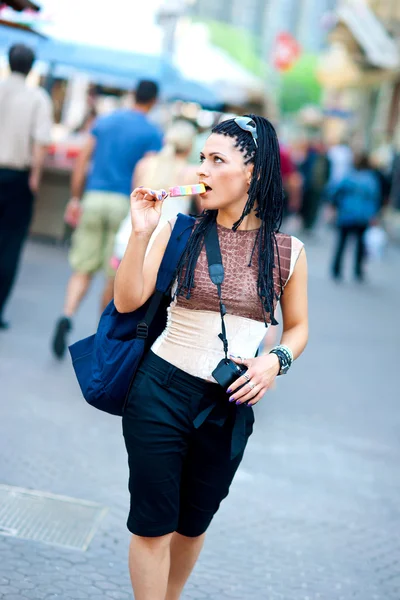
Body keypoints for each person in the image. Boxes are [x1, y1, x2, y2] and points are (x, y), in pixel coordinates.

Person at [114, 115, 308, 599]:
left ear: (253, 173)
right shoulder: (179, 230)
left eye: (217, 160)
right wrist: (141, 234)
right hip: (159, 390)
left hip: (226, 406)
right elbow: (126, 302)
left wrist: (275, 360)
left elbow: (299, 327)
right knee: (153, 525)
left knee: (192, 525)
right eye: (202, 158)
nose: (202, 169)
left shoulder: (287, 252)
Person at [51, 80, 162, 358]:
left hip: (94, 197)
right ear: (154, 101)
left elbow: (83, 159)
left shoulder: (105, 121)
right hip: (126, 205)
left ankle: (67, 314)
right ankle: (103, 335)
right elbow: (147, 173)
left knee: (82, 267)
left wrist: (76, 197)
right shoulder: (152, 133)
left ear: (133, 94)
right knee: (115, 274)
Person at [0, 44, 53, 329]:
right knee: (9, 245)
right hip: (17, 178)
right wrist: (35, 177)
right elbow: (41, 142)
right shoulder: (37, 97)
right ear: (32, 67)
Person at [112, 119, 198, 270]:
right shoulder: (192, 174)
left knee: (116, 289)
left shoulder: (144, 164)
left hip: (130, 235)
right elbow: (202, 208)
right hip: (164, 243)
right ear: (190, 147)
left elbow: (134, 199)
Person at [330, 153, 381, 282]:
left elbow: (335, 191)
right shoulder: (371, 179)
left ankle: (336, 269)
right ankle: (358, 271)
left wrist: (336, 205)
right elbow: (375, 198)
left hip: (346, 214)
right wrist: (373, 215)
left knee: (342, 243)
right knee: (360, 245)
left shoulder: (348, 176)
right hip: (362, 216)